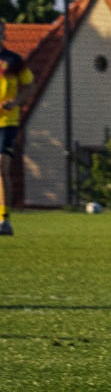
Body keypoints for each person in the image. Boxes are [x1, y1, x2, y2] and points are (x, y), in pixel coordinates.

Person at [0, 21, 30, 236]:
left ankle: (4, 220)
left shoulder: (14, 61)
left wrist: (15, 102)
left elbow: (30, 86)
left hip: (7, 122)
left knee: (1, 166)